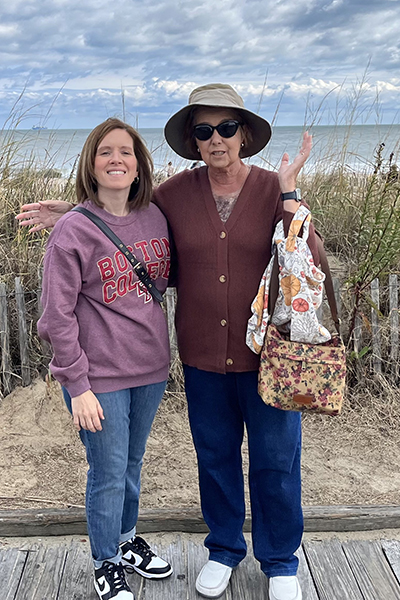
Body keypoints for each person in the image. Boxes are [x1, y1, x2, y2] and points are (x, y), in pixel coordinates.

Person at [17, 84, 317, 600]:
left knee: (276, 461)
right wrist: (71, 212)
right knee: (215, 458)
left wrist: (291, 198)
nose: (216, 138)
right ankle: (223, 549)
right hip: (202, 358)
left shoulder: (274, 189)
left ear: (244, 135)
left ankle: (280, 561)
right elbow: (121, 214)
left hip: (271, 358)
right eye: (204, 131)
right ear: (193, 142)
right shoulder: (175, 196)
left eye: (226, 128)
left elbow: (306, 261)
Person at [35, 118, 173, 600]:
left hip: (150, 368)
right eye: (105, 152)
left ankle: (126, 537)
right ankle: (105, 560)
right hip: (101, 377)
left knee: (132, 463)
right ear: (90, 165)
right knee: (108, 471)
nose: (117, 160)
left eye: (127, 152)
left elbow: (170, 276)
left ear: (140, 166)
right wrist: (77, 386)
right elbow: (57, 315)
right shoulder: (73, 231)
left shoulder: (156, 217)